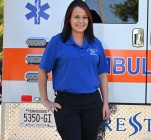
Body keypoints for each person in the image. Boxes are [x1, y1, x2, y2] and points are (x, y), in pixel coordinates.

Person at [38, 0, 110, 139]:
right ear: (69, 19)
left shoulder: (96, 43)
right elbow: (42, 71)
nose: (81, 21)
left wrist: (105, 103)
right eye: (76, 17)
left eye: (84, 17)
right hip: (66, 104)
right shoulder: (57, 42)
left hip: (92, 103)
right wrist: (44, 99)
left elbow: (102, 75)